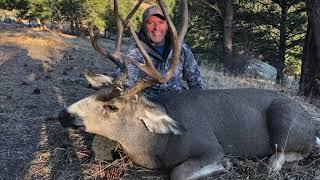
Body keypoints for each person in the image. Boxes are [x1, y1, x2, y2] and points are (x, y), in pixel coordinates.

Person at [122, 5, 204, 100]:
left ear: (168, 26)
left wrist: (199, 101)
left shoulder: (182, 49)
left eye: (161, 22)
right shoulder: (135, 52)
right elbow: (127, 84)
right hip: (148, 103)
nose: (156, 27)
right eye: (151, 23)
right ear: (144, 27)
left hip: (177, 100)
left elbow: (195, 82)